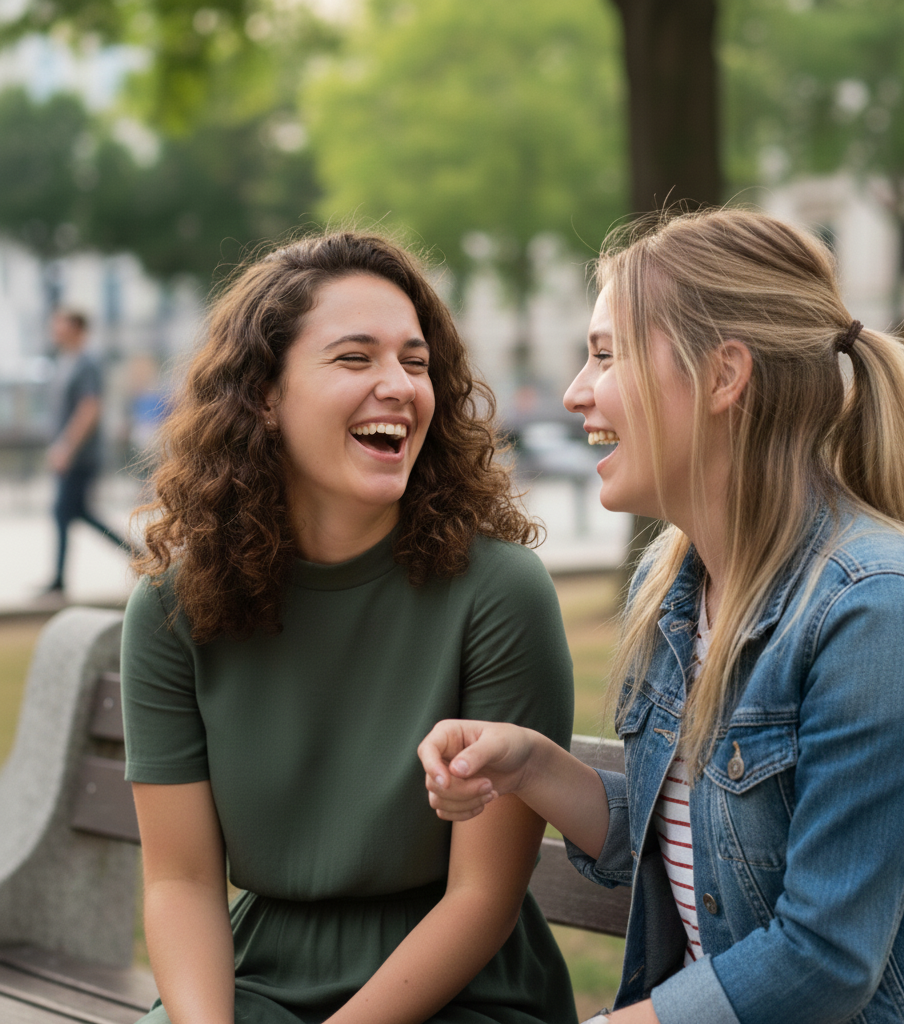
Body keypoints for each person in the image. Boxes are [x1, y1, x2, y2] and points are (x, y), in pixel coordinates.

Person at [419, 209, 904, 1024]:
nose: (574, 391)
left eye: (605, 354)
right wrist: (531, 767)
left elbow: (824, 959)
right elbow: (699, 849)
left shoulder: (878, 608)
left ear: (724, 375)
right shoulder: (673, 586)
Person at [120, 232, 578, 1024]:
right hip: (257, 980)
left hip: (464, 993)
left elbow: (482, 896)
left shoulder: (501, 592)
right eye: (355, 359)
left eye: (414, 360)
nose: (398, 386)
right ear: (265, 394)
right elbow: (180, 882)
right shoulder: (172, 606)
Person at [42, 309, 130, 597]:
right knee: (76, 512)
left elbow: (90, 407)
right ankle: (139, 556)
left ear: (77, 328)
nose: (55, 327)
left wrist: (66, 446)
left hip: (81, 456)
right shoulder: (65, 361)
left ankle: (58, 580)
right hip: (69, 454)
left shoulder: (86, 363)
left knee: (64, 511)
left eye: (61, 322)